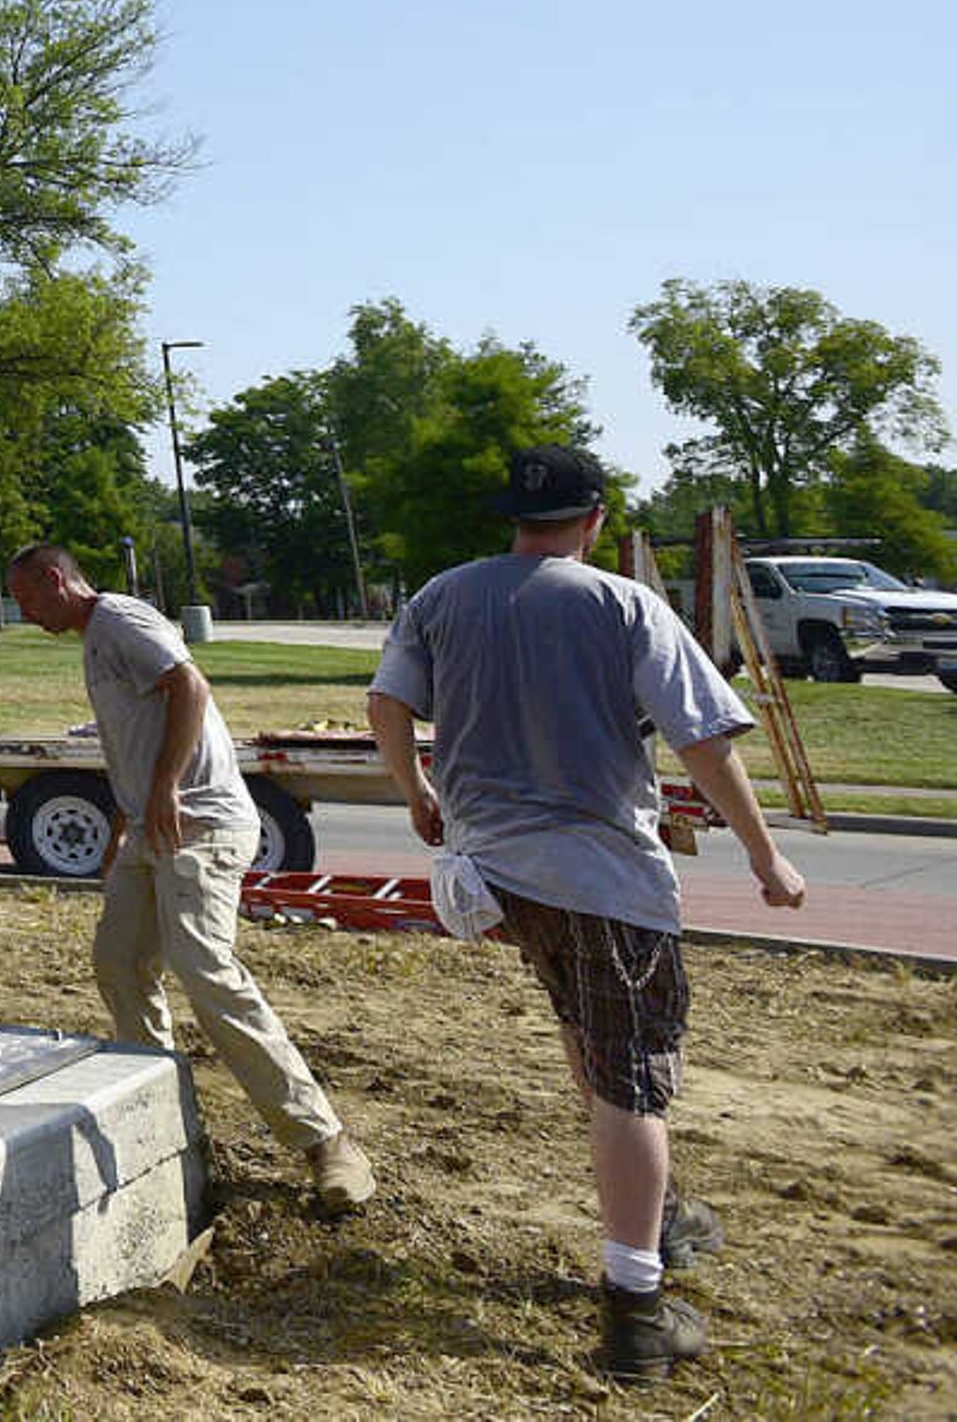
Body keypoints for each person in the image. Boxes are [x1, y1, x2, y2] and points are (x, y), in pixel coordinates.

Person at [368, 442, 809, 1385]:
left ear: (513, 518)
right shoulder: (621, 604)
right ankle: (637, 1312)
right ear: (596, 520)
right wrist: (766, 855)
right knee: (632, 1082)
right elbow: (704, 741)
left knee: (587, 1035)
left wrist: (415, 789)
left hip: (501, 878)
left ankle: (664, 1211)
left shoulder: (443, 595)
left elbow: (385, 702)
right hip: (606, 881)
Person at [3, 541, 376, 1214]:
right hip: (152, 830)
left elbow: (190, 686)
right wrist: (126, 819)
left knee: (202, 967)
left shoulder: (121, 620)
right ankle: (163, 1120)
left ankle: (328, 1143)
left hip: (200, 823)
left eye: (28, 598)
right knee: (119, 963)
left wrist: (168, 789)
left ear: (56, 581)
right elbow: (134, 737)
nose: (25, 614)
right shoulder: (95, 640)